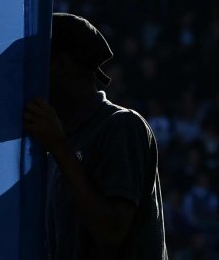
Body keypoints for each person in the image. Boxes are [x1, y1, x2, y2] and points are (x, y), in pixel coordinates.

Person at [23, 13, 168, 259]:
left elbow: (112, 231)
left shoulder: (121, 126)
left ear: (62, 65)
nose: (27, 80)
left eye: (35, 67)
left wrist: (60, 148)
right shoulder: (58, 142)